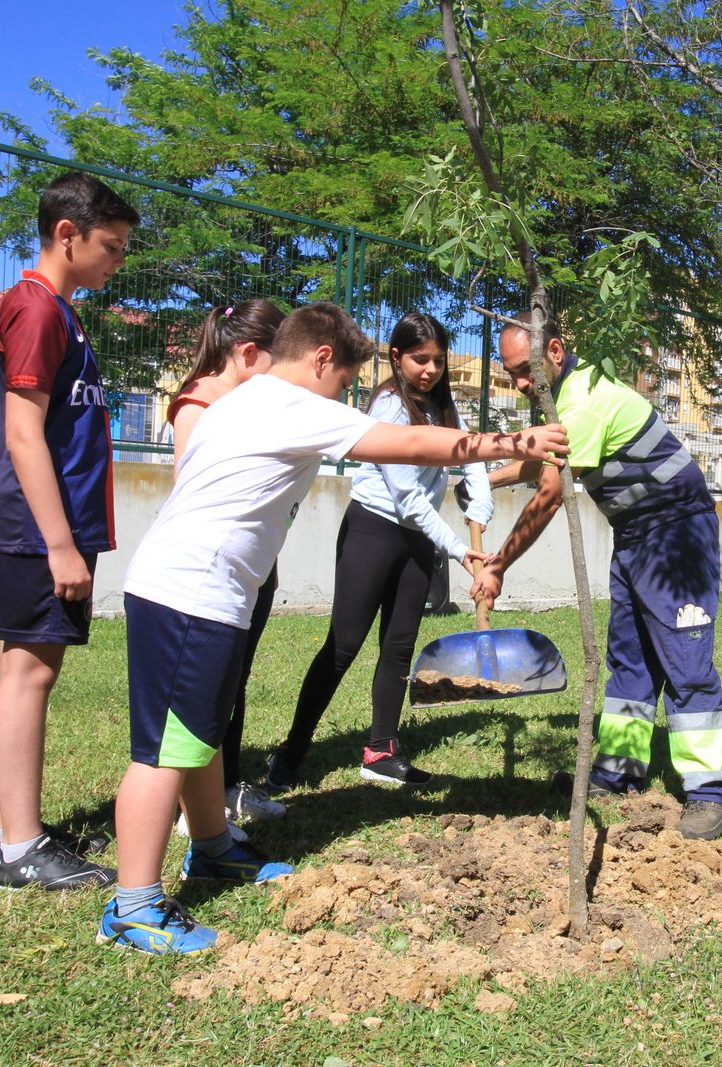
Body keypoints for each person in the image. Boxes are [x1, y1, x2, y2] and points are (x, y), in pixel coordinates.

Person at [99, 302, 567, 955]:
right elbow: (404, 444)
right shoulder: (290, 403)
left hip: (202, 593)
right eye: (345, 382)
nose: (344, 395)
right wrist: (513, 442)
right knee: (163, 752)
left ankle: (211, 849)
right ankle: (134, 905)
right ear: (321, 359)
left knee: (198, 735)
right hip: (192, 596)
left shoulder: (245, 399)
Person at [470, 312, 722, 840]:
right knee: (630, 659)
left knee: (685, 662)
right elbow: (549, 455)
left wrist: (498, 562)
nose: (522, 384)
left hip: (677, 537)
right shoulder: (563, 399)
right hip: (635, 535)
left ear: (555, 350)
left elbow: (550, 493)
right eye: (511, 375)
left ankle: (710, 791)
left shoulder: (584, 399)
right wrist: (489, 480)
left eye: (526, 371)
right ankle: (620, 770)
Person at [0, 171, 138, 890]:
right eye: (111, 245)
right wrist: (60, 542)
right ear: (66, 235)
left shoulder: (47, 308)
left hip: (44, 524)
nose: (118, 260)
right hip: (40, 525)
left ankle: (2, 826)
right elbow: (24, 431)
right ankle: (21, 847)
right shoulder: (39, 309)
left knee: (19, 666)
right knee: (29, 670)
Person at [263, 312, 494, 793]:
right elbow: (408, 498)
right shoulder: (390, 404)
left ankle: (381, 751)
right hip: (374, 530)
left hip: (415, 539)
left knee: (399, 647)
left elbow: (471, 455)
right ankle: (291, 753)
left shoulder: (443, 405)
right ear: (396, 357)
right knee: (343, 646)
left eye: (437, 360)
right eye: (419, 359)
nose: (429, 369)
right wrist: (459, 551)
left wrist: (483, 503)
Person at [166, 300, 289, 833]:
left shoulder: (249, 404)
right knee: (205, 686)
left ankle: (225, 786)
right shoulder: (199, 404)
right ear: (247, 353)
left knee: (233, 680)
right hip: (208, 574)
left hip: (252, 565)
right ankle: (186, 804)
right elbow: (194, 494)